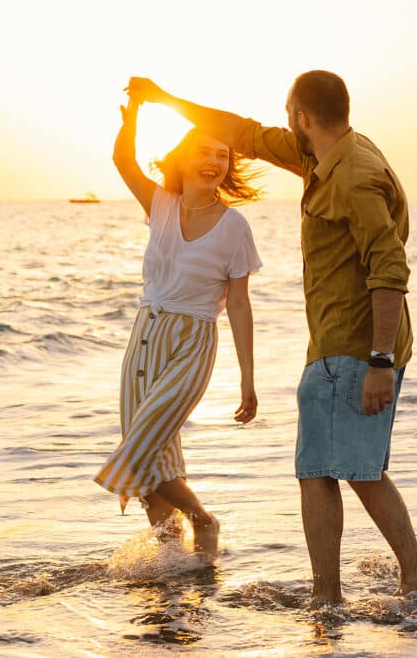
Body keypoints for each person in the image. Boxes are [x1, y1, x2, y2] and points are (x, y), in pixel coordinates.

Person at [126, 72, 417, 603]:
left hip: (355, 348)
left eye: (289, 115)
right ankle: (391, 583)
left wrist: (380, 361)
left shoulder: (354, 176)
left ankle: (340, 595)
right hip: (339, 346)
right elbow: (242, 133)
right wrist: (165, 100)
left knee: (326, 472)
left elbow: (388, 266)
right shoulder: (323, 155)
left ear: (302, 116)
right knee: (350, 471)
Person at [93, 88, 263, 565]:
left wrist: (248, 379)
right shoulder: (160, 204)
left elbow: (240, 306)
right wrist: (134, 117)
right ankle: (174, 561)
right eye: (205, 152)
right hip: (144, 338)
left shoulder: (235, 228)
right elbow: (122, 160)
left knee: (140, 446)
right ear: (184, 157)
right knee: (155, 458)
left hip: (192, 343)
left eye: (222, 155)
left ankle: (203, 520)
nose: (214, 162)